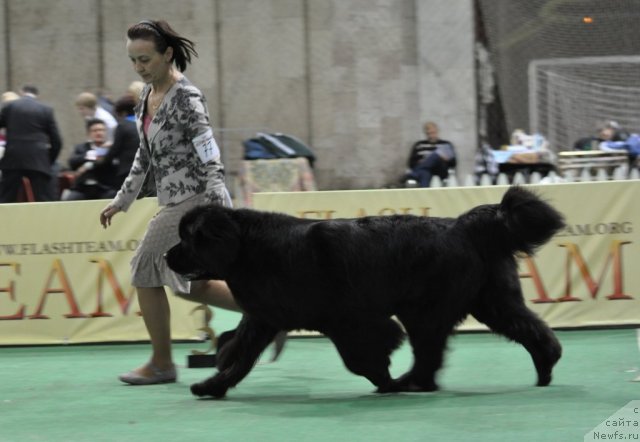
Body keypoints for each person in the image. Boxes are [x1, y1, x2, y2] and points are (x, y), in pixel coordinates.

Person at [98, 19, 257, 385]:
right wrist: (121, 201)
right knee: (190, 287)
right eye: (134, 60)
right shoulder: (145, 97)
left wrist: (217, 206)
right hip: (173, 199)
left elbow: (209, 151)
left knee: (143, 269)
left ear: (167, 54)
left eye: (146, 59)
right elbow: (145, 156)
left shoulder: (187, 96)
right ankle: (268, 313)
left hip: (198, 199)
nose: (139, 67)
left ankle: (161, 364)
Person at [0, 85, 63, 202]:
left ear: (21, 92)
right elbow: (57, 141)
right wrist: (48, 160)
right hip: (38, 159)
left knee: (7, 199)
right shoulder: (46, 110)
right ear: (36, 95)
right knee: (43, 199)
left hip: (13, 158)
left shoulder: (9, 106)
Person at [63, 118, 119, 200]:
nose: (99, 133)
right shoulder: (82, 148)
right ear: (89, 133)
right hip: (83, 188)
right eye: (95, 130)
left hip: (105, 187)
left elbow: (113, 165)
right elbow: (72, 162)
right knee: (70, 200)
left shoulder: (111, 148)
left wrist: (88, 165)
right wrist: (91, 155)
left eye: (102, 130)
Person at [95, 95, 140, 188]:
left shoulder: (122, 126)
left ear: (123, 113)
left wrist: (99, 162)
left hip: (128, 171)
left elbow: (115, 150)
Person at [405, 121, 456, 187]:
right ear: (426, 133)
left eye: (433, 133)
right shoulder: (419, 145)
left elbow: (453, 163)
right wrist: (422, 162)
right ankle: (424, 194)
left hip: (440, 170)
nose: (431, 135)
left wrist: (444, 159)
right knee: (425, 173)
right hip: (425, 171)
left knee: (436, 155)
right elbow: (411, 163)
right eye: (429, 133)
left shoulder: (446, 144)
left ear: (437, 131)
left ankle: (413, 174)